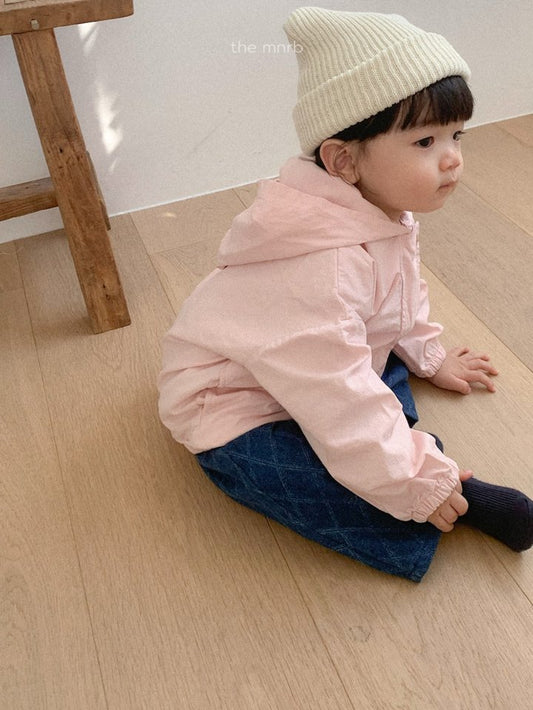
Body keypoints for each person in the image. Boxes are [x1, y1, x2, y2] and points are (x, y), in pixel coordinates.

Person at [158, 7, 533, 581]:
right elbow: (336, 393)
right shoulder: (321, 270)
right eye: (425, 140)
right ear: (343, 160)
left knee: (374, 384)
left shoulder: (380, 210)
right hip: (235, 402)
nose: (453, 157)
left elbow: (399, 295)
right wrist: (417, 482)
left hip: (316, 360)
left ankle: (397, 456)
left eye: (456, 134)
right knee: (289, 472)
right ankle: (444, 491)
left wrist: (428, 354)